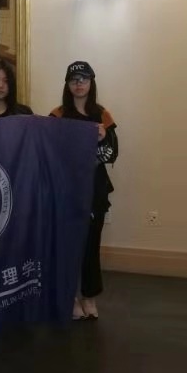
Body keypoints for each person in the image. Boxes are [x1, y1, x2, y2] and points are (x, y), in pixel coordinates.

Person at [49, 61, 118, 321]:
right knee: (67, 246)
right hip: (65, 191)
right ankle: (69, 296)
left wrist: (101, 139)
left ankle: (89, 295)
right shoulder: (57, 116)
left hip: (95, 191)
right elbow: (51, 153)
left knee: (91, 246)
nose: (79, 84)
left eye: (84, 79)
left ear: (91, 83)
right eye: (74, 79)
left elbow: (112, 153)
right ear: (67, 84)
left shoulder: (102, 115)